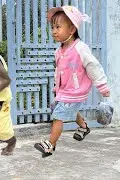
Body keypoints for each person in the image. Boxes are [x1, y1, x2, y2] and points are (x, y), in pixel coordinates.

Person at [34, 6, 110, 157]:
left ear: (71, 30)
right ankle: (84, 127)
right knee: (69, 109)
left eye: (58, 27)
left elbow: (93, 66)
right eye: (53, 27)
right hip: (64, 91)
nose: (54, 31)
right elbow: (59, 71)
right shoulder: (59, 52)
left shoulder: (81, 49)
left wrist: (102, 86)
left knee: (58, 116)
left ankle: (51, 145)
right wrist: (57, 86)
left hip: (76, 91)